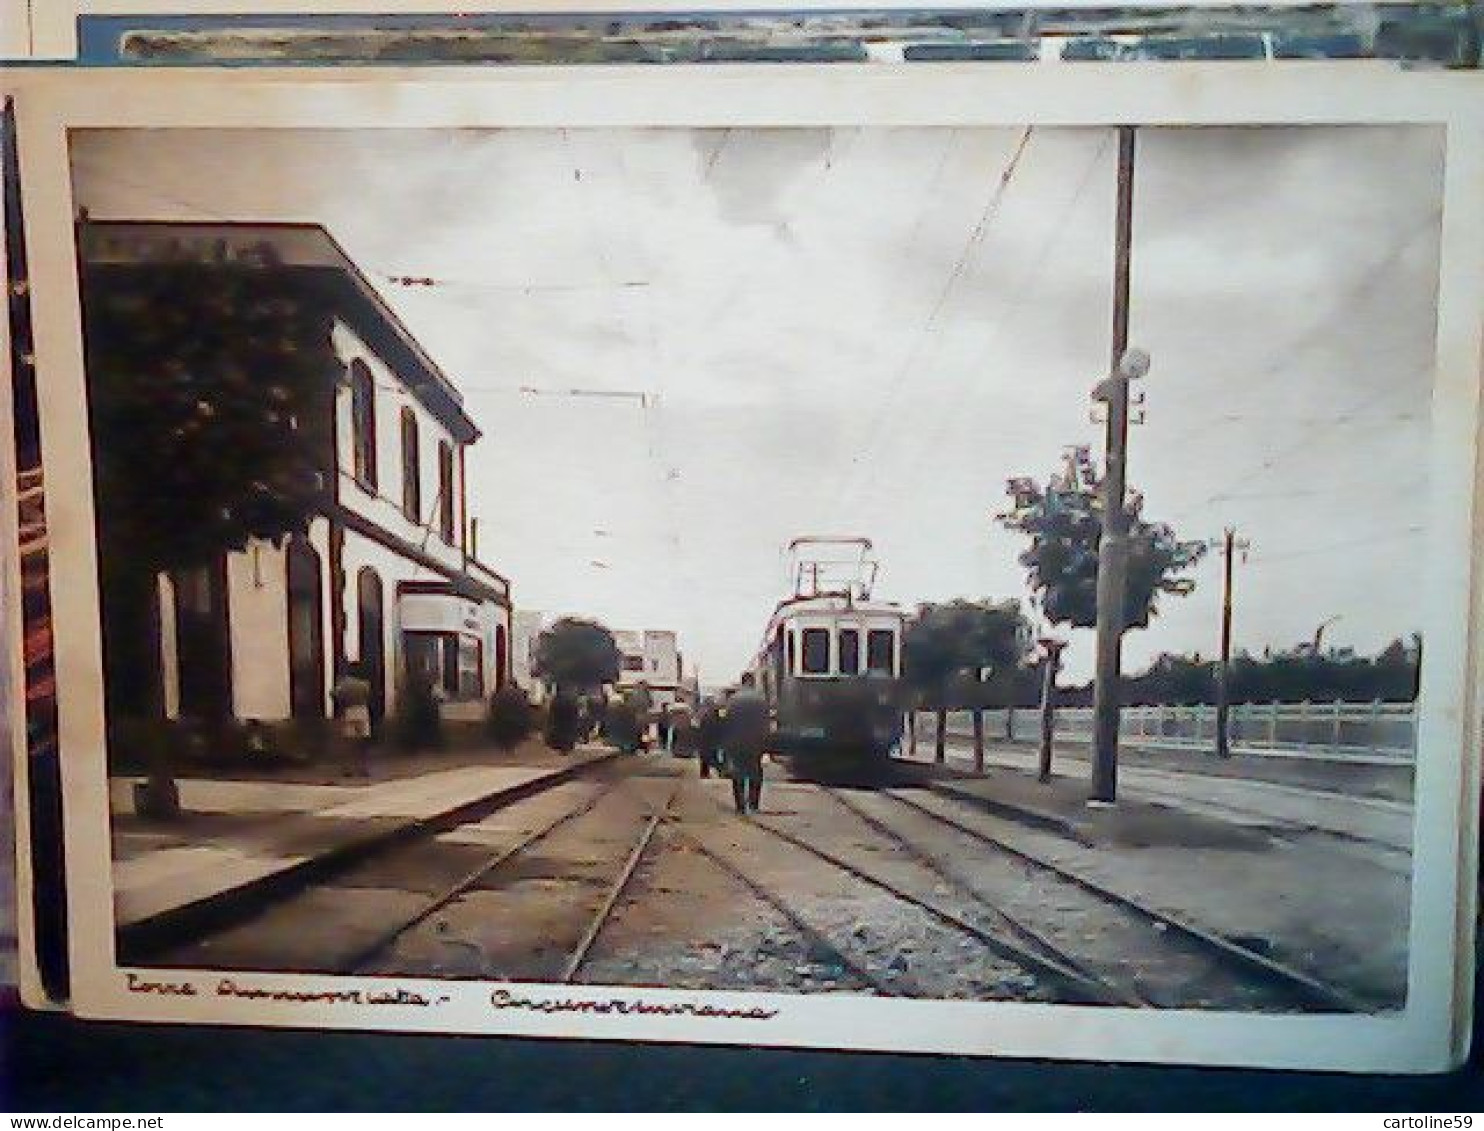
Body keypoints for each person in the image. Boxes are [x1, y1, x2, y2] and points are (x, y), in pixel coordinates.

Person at [723, 673, 770, 814]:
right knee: (755, 772)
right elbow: (765, 723)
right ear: (753, 682)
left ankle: (740, 805)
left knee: (738, 773)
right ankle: (754, 804)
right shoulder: (761, 700)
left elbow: (727, 723)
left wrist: (727, 743)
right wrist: (765, 744)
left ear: (742, 682)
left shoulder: (733, 700)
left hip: (736, 741)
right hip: (755, 742)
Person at [331, 664, 374, 778]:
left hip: (349, 711)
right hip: (362, 711)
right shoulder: (364, 684)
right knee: (362, 743)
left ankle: (347, 769)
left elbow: (333, 694)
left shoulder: (344, 684)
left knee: (348, 743)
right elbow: (368, 696)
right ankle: (363, 769)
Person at [695, 697, 725, 779]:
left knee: (709, 757)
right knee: (708, 757)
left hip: (709, 739)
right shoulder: (706, 714)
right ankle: (707, 773)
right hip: (709, 739)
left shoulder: (705, 714)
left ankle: (707, 773)